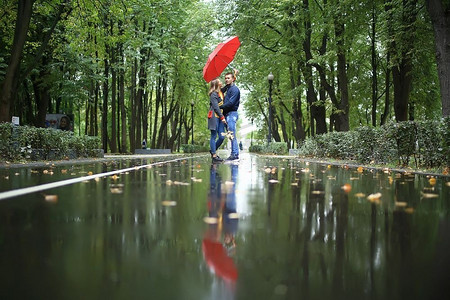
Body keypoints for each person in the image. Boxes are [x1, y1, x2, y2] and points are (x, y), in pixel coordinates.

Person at [220, 70, 240, 161]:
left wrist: (219, 106)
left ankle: (235, 154)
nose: (226, 80)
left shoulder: (235, 90)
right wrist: (234, 76)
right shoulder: (228, 88)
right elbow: (220, 91)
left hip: (232, 114)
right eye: (225, 78)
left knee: (232, 134)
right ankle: (234, 153)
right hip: (227, 114)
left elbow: (231, 103)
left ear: (232, 79)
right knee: (229, 135)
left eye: (228, 78)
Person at [208, 78, 227, 163]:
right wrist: (222, 117)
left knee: (222, 136)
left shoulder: (221, 92)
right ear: (216, 84)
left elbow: (228, 85)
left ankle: (213, 150)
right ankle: (214, 155)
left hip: (220, 117)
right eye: (219, 81)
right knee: (213, 135)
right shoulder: (213, 94)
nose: (221, 82)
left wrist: (234, 75)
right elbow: (215, 107)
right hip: (214, 117)